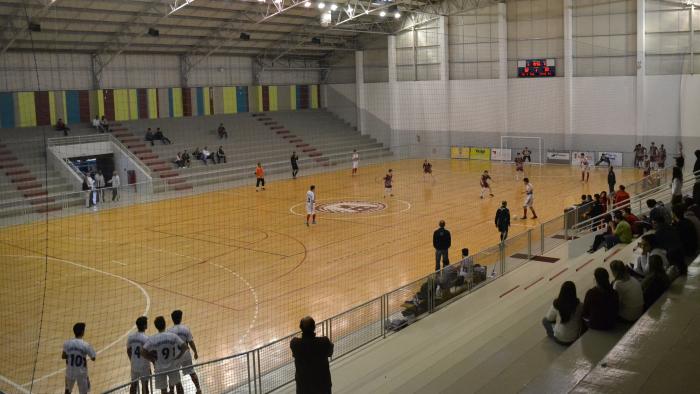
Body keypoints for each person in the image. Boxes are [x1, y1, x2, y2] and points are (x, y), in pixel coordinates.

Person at [143, 316, 187, 394]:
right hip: (172, 366)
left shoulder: (153, 338)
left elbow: (143, 351)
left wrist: (152, 359)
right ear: (165, 324)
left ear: (156, 327)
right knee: (178, 385)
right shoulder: (172, 336)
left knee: (163, 390)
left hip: (159, 368)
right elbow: (184, 347)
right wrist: (178, 356)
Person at [290, 316, 333, 394]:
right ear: (314, 327)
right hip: (322, 385)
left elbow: (294, 354)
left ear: (301, 328)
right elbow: (330, 353)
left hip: (304, 387)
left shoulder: (295, 343)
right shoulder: (324, 342)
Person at [169, 310, 202, 394]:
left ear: (172, 319)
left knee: (173, 374)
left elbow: (170, 346)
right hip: (186, 354)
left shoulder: (169, 331)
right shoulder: (185, 329)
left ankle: (172, 391)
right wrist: (195, 352)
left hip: (176, 355)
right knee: (191, 371)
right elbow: (191, 342)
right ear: (180, 318)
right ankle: (198, 389)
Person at [542, 281, 583, 346]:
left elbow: (549, 319)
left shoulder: (557, 304)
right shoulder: (580, 305)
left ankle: (551, 334)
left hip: (559, 338)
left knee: (544, 320)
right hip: (574, 338)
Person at [63, 322, 96, 394]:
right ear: (82, 332)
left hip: (70, 371)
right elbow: (93, 358)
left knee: (67, 391)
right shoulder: (86, 345)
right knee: (83, 392)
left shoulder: (67, 343)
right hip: (82, 373)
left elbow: (63, 356)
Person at [127, 316, 151, 394]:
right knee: (145, 387)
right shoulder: (146, 338)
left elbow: (128, 350)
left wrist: (132, 360)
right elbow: (148, 353)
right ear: (144, 326)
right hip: (144, 366)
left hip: (134, 366)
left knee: (133, 385)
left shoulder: (130, 337)